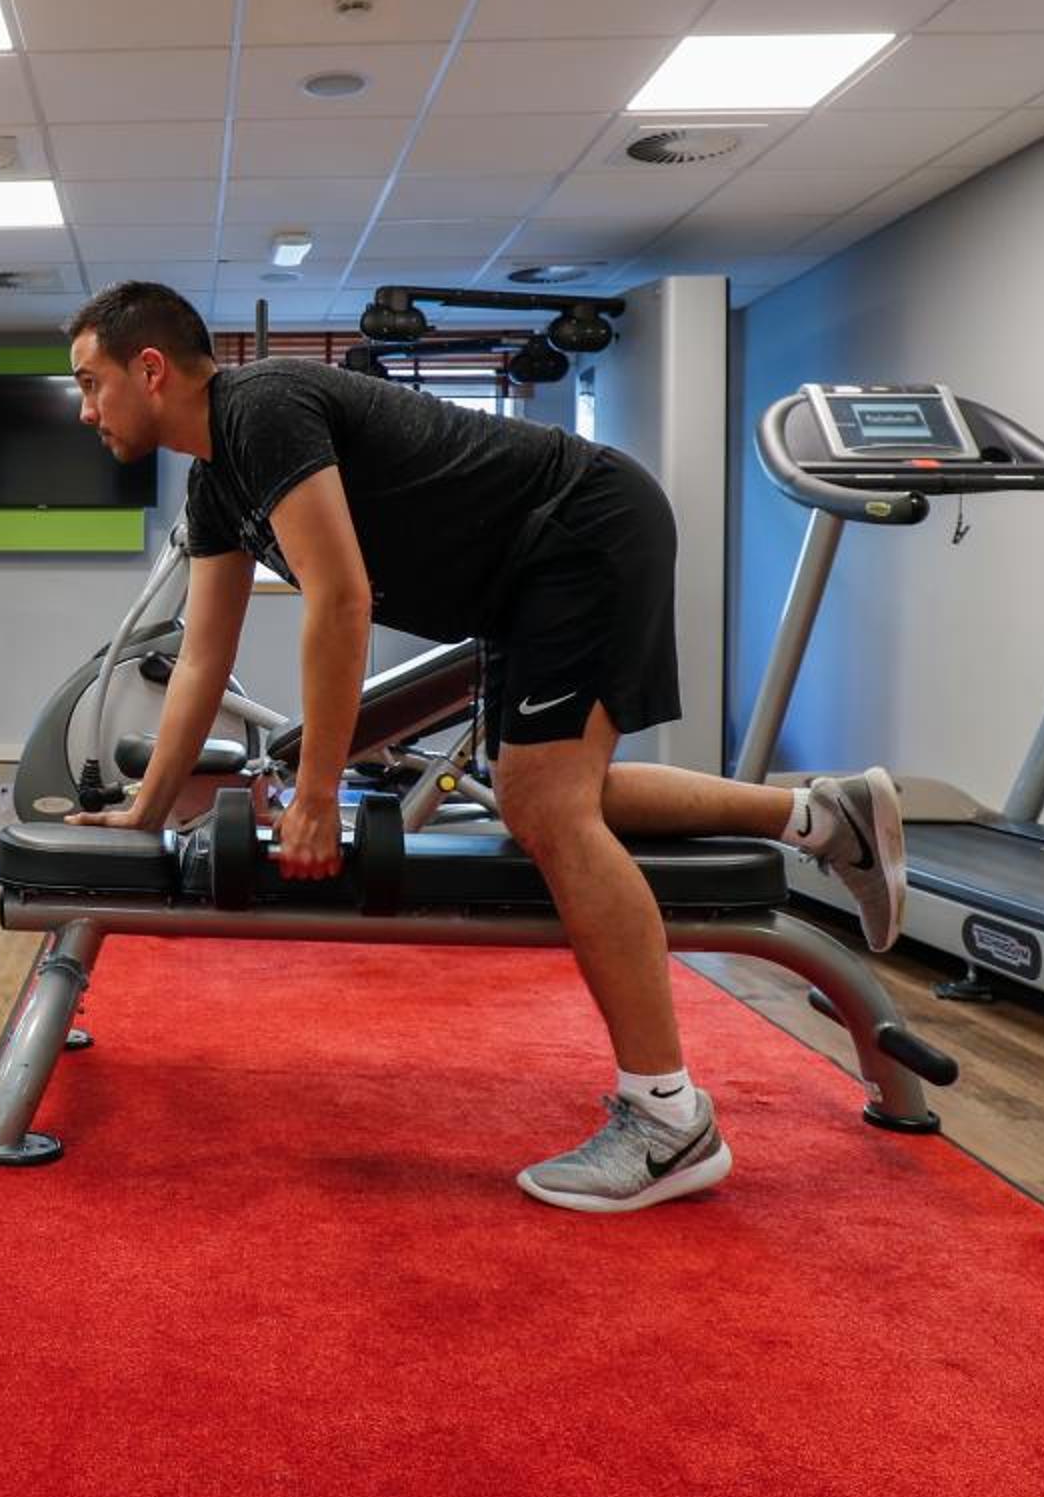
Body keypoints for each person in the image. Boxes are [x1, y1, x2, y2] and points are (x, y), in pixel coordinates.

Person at [61, 281, 905, 1213]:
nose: (87, 409)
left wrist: (316, 796)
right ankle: (821, 817)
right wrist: (144, 810)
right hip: (527, 575)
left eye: (91, 383)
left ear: (150, 369)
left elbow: (341, 598)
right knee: (545, 793)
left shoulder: (259, 408)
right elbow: (203, 658)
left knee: (550, 810)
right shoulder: (214, 480)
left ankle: (670, 1118)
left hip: (581, 526)